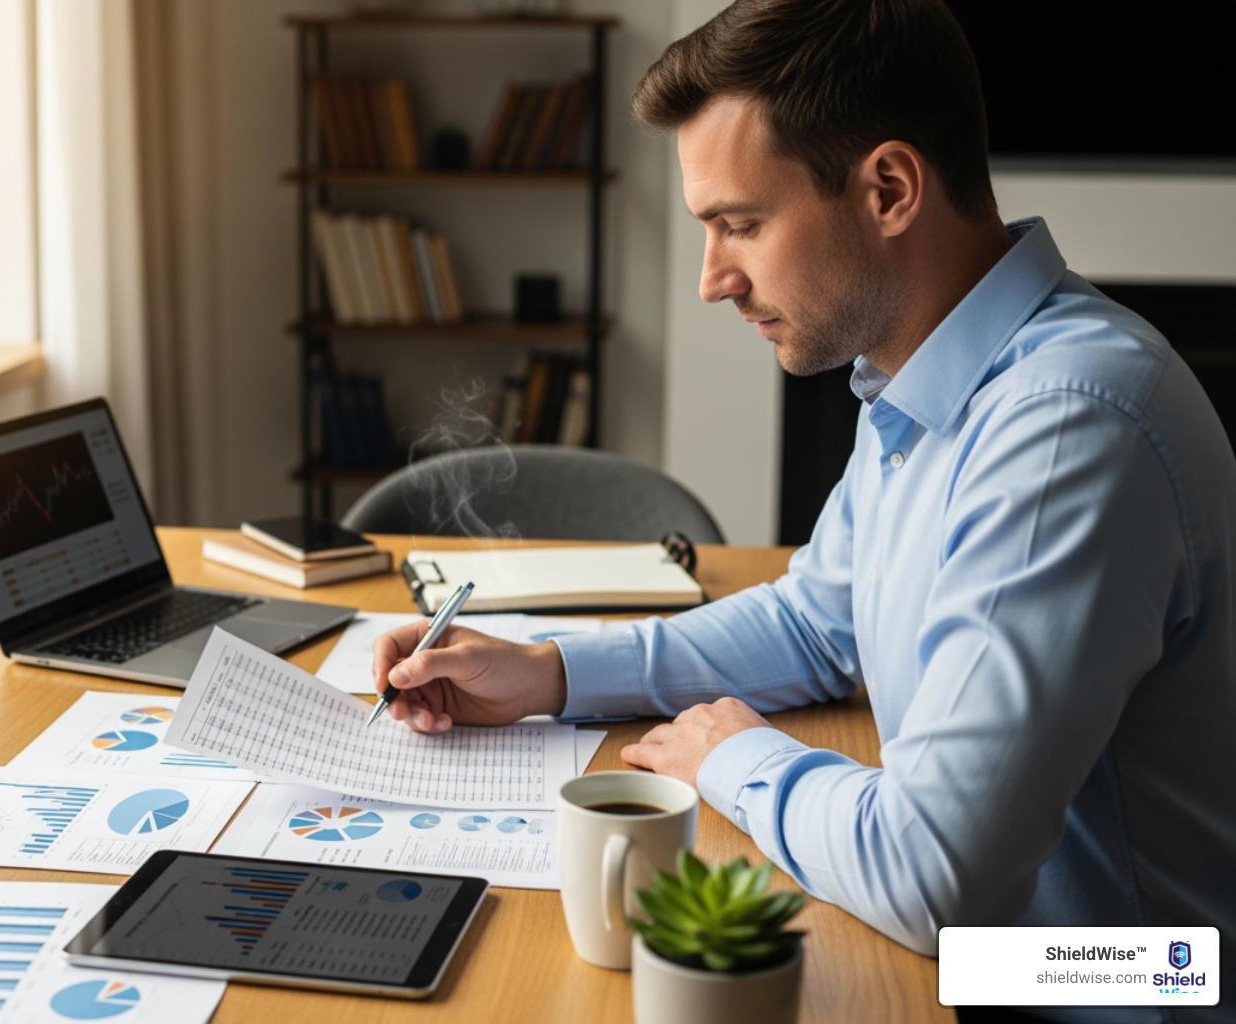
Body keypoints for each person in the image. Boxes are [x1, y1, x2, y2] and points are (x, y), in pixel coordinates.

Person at [370, 2, 1235, 1021]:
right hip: (1002, 952)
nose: (711, 279)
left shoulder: (1065, 429)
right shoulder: (928, 377)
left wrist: (733, 755)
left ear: (890, 189)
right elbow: (816, 623)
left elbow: (934, 875)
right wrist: (549, 673)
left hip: (1120, 984)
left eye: (739, 223)